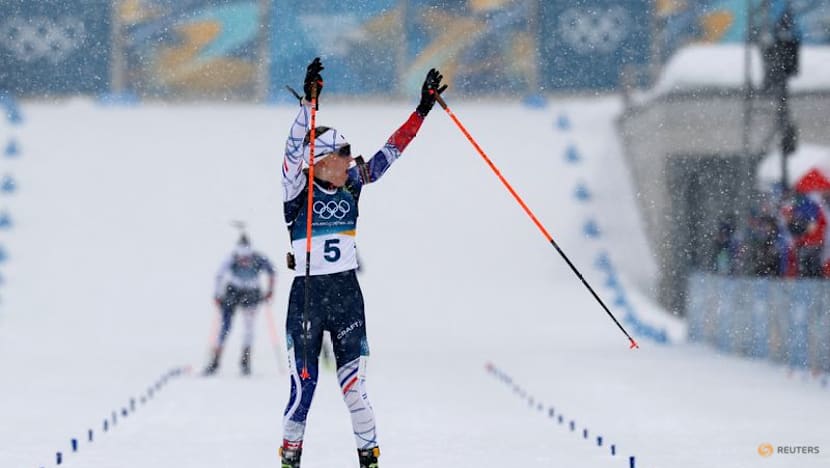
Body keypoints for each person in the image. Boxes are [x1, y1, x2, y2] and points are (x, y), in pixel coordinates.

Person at [278, 58, 446, 468]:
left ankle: (369, 460)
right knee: (304, 390)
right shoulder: (296, 189)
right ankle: (290, 459)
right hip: (307, 301)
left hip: (347, 297)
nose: (352, 160)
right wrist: (308, 106)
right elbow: (290, 150)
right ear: (320, 161)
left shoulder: (353, 184)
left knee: (354, 391)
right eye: (343, 153)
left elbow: (393, 150)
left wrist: (422, 109)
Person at [204, 233, 275, 376]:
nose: (243, 260)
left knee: (249, 328)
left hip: (252, 294)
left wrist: (270, 291)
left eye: (246, 257)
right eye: (241, 257)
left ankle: (245, 361)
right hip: (233, 292)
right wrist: (217, 294)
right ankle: (215, 361)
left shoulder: (258, 258)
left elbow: (272, 272)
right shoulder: (232, 258)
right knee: (225, 327)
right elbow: (219, 274)